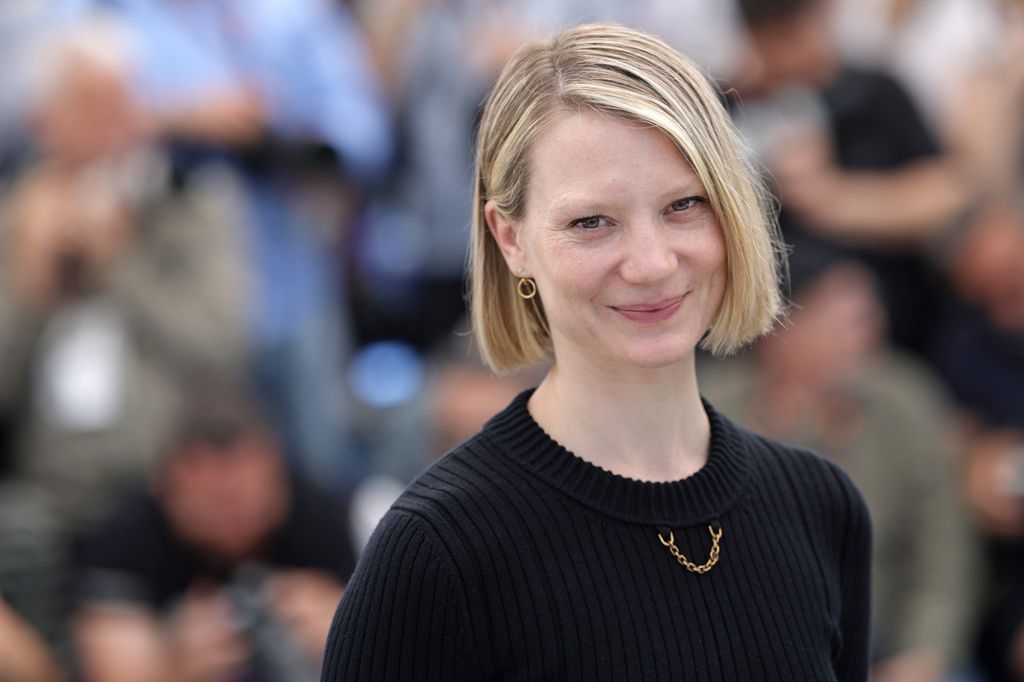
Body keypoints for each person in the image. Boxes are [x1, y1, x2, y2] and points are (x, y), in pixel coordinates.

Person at [322, 23, 871, 681]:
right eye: (591, 222)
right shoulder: (437, 552)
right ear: (510, 238)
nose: (652, 263)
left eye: (684, 205)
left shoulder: (821, 508)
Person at [74, 383, 356, 682]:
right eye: (213, 502)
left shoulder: (321, 518)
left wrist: (346, 634)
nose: (230, 520)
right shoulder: (124, 539)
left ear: (275, 471)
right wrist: (174, 669)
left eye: (243, 500)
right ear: (166, 485)